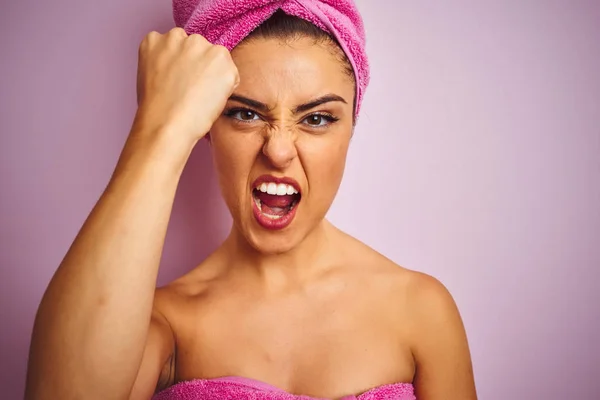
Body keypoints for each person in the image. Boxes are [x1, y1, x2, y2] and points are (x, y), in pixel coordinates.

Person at [25, 1, 477, 399]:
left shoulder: (421, 309)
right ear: (207, 126)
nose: (278, 150)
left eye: (317, 118)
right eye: (244, 113)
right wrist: (159, 128)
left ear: (351, 127)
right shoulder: (163, 326)